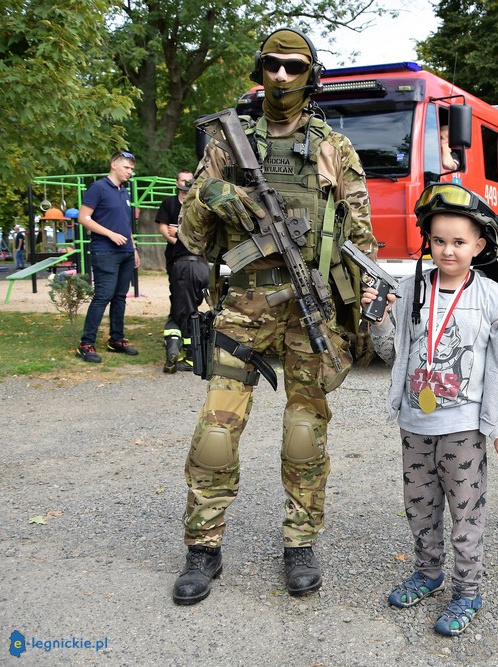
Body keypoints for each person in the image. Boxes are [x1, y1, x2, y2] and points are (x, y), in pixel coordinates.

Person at [171, 27, 376, 606]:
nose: (282, 76)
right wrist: (207, 196)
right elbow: (190, 239)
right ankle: (202, 549)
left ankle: (300, 543)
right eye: (272, 65)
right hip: (243, 309)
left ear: (310, 75)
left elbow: (362, 240)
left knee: (304, 434)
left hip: (309, 309)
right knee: (215, 433)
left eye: (294, 66)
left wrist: (355, 318)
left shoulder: (333, 147)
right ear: (259, 70)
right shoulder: (224, 146)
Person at [363, 183, 498, 636]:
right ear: (426, 240)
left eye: (458, 242)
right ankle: (429, 574)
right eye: (437, 240)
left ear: (479, 245)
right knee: (420, 506)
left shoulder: (497, 301)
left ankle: (467, 591)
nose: (447, 250)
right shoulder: (412, 289)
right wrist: (377, 320)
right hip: (415, 424)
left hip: (463, 429)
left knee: (465, 513)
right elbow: (392, 354)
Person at [75, 150, 141, 363]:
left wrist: (134, 248)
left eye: (132, 169)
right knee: (103, 296)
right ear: (114, 164)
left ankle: (117, 339)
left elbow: (126, 223)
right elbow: (83, 218)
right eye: (127, 168)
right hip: (105, 251)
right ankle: (86, 344)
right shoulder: (98, 188)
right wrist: (110, 234)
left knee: (120, 297)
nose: (130, 172)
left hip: (126, 253)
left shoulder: (124, 192)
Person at [156, 169, 209, 373]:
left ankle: (186, 353)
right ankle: (179, 346)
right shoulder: (194, 208)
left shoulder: (194, 210)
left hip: (185, 266)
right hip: (198, 265)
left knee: (184, 312)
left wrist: (177, 234)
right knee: (183, 306)